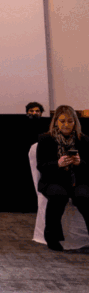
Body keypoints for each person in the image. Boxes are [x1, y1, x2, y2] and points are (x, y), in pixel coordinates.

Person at [36, 105, 89, 251]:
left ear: (75, 122)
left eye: (70, 121)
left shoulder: (83, 140)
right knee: (58, 195)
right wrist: (57, 164)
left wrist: (80, 163)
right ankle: (51, 237)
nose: (66, 125)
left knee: (84, 196)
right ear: (56, 122)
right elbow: (41, 166)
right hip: (52, 180)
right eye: (62, 121)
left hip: (77, 180)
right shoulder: (45, 139)